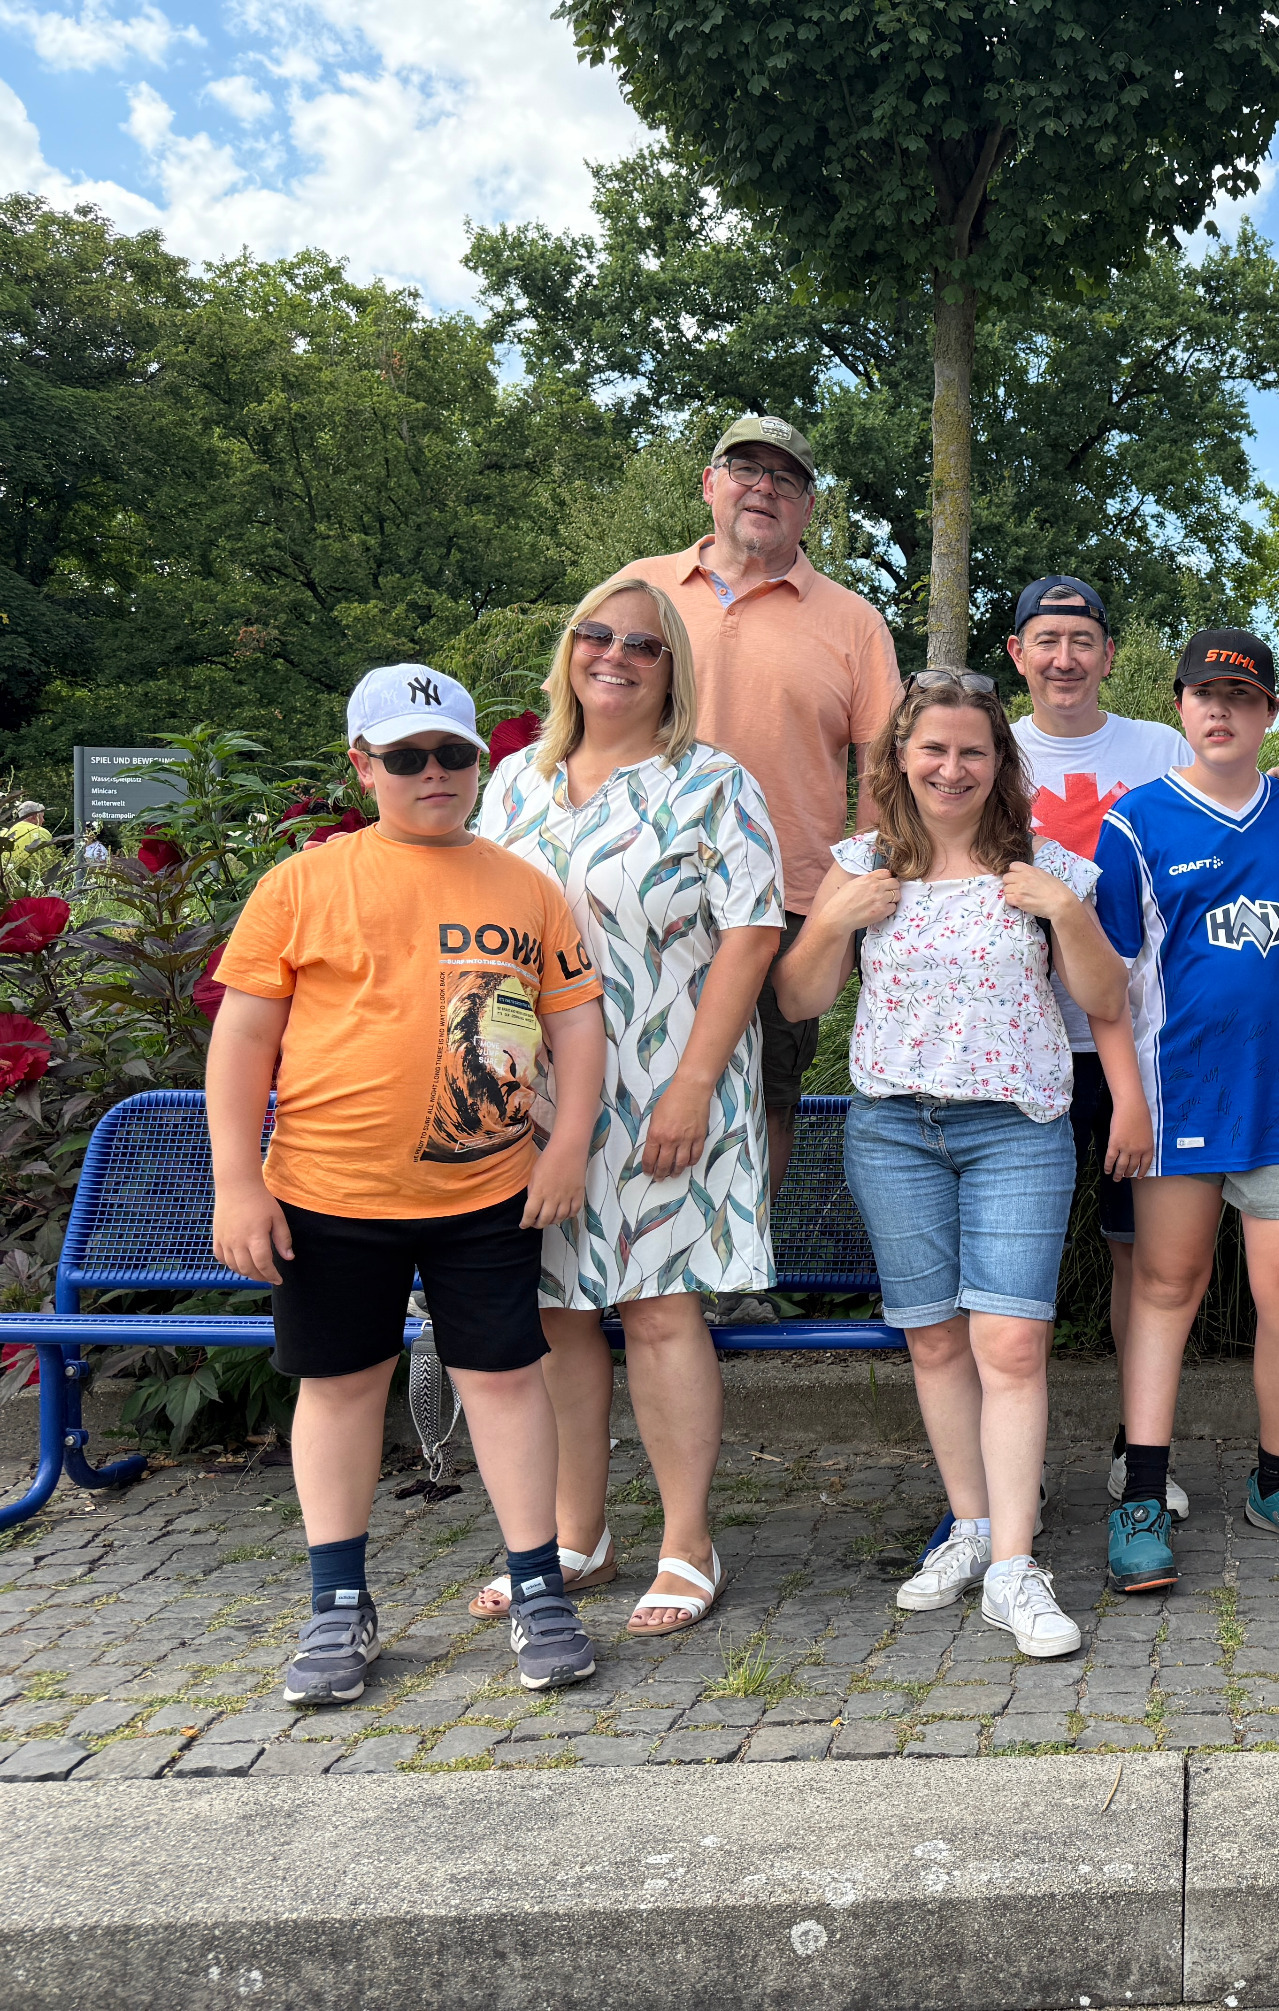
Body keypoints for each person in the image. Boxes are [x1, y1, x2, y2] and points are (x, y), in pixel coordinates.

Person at [206, 664, 606, 1704]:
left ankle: (538, 1588)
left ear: (479, 761)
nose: (434, 772)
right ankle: (338, 1604)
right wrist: (237, 1182)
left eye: (453, 753)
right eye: (406, 756)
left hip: (488, 1193)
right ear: (362, 766)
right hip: (326, 1192)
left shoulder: (525, 886)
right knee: (341, 1386)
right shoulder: (302, 884)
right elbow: (241, 1038)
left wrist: (568, 1144)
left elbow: (575, 1023)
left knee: (504, 1379)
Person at [773, 672, 1129, 1657]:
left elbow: (1107, 999)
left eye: (973, 750)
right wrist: (833, 920)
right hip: (893, 1129)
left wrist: (1065, 911)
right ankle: (970, 1526)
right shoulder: (860, 866)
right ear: (899, 758)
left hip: (1015, 1128)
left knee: (1009, 1344)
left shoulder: (1047, 867)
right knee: (932, 1340)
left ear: (999, 762)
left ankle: (1015, 1565)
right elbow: (799, 1000)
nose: (951, 767)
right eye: (933, 748)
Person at [468, 575, 786, 1635]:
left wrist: (693, 1082)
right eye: (595, 635)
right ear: (568, 651)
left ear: (670, 668)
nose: (614, 655)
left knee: (658, 1308)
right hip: (538, 1094)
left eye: (641, 644)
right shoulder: (514, 781)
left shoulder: (711, 780)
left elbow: (752, 931)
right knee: (556, 1310)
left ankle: (687, 1542)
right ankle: (577, 1536)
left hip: (669, 1081)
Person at [1003, 574, 1279, 1520]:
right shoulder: (986, 747)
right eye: (1045, 639)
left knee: (1137, 1260)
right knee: (1020, 1270)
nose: (1064, 657)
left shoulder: (1158, 745)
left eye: (1082, 640)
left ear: (1110, 655)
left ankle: (1132, 1456)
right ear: (1018, 652)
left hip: (1140, 1058)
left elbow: (1244, 773)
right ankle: (1009, 1466)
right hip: (1024, 1043)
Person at [1091, 628, 1279, 1594]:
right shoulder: (1135, 823)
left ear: (1269, 711)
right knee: (1165, 1287)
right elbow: (1110, 983)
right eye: (1202, 694)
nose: (1219, 710)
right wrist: (1127, 1099)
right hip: (1178, 1098)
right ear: (1179, 705)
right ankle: (1143, 1492)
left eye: (1240, 696)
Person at [620, 414, 903, 1216]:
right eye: (745, 468)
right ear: (709, 484)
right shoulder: (639, 589)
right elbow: (577, 718)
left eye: (786, 478)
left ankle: (741, 1263)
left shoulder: (853, 620)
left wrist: (851, 900)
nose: (764, 488)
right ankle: (620, 1256)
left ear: (808, 507)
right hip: (634, 882)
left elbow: (884, 769)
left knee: (767, 1094)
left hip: (788, 901)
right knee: (618, 1069)